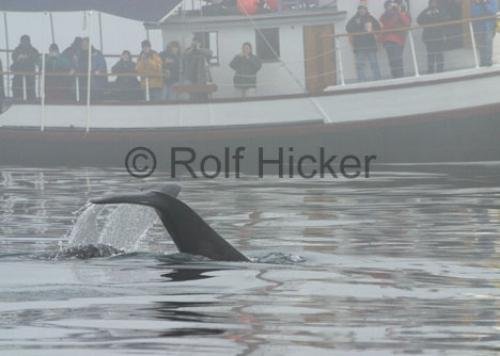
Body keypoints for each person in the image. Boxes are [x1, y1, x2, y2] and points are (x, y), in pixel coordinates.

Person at [346, 5, 382, 82]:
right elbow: (348, 28)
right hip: (359, 46)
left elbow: (378, 27)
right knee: (359, 65)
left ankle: (378, 79)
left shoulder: (370, 18)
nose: (361, 11)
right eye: (360, 10)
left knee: (374, 63)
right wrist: (357, 27)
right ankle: (361, 80)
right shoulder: (355, 19)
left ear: (366, 10)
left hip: (370, 44)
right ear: (358, 11)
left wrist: (372, 29)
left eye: (363, 9)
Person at [380, 0, 411, 78]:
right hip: (390, 40)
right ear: (386, 7)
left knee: (397, 59)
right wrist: (394, 14)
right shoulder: (385, 16)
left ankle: (398, 75)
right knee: (395, 59)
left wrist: (398, 12)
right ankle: (398, 76)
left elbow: (407, 22)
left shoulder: (401, 13)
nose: (392, 7)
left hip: (400, 40)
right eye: (389, 6)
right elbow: (387, 25)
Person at [417, 0, 448, 74]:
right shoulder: (425, 12)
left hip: (439, 35)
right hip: (429, 37)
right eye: (432, 3)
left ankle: (440, 69)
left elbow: (446, 19)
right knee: (430, 54)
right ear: (429, 4)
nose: (433, 4)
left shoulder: (440, 11)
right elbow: (419, 20)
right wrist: (427, 15)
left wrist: (438, 15)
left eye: (435, 2)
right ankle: (430, 70)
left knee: (439, 54)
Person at [182, 34, 213, 101]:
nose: (195, 43)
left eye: (197, 42)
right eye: (194, 41)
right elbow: (185, 56)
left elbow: (210, 54)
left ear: (200, 43)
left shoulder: (204, 50)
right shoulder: (188, 50)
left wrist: (198, 49)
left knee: (204, 95)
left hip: (203, 78)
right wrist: (192, 48)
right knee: (192, 95)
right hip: (191, 77)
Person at [11, 35, 40, 101]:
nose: (25, 43)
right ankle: (17, 98)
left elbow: (36, 56)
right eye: (23, 41)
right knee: (17, 87)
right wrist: (19, 57)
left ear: (29, 42)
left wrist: (27, 57)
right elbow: (13, 57)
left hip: (29, 72)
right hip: (18, 72)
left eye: (26, 41)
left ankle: (31, 99)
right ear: (21, 42)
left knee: (30, 88)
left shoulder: (33, 50)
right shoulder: (17, 50)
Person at [471, 0, 498, 67]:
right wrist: (478, 3)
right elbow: (474, 14)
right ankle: (483, 62)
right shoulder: (475, 2)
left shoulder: (493, 1)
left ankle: (488, 61)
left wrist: (485, 3)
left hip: (489, 26)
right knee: (480, 45)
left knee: (488, 43)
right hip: (478, 26)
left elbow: (493, 11)